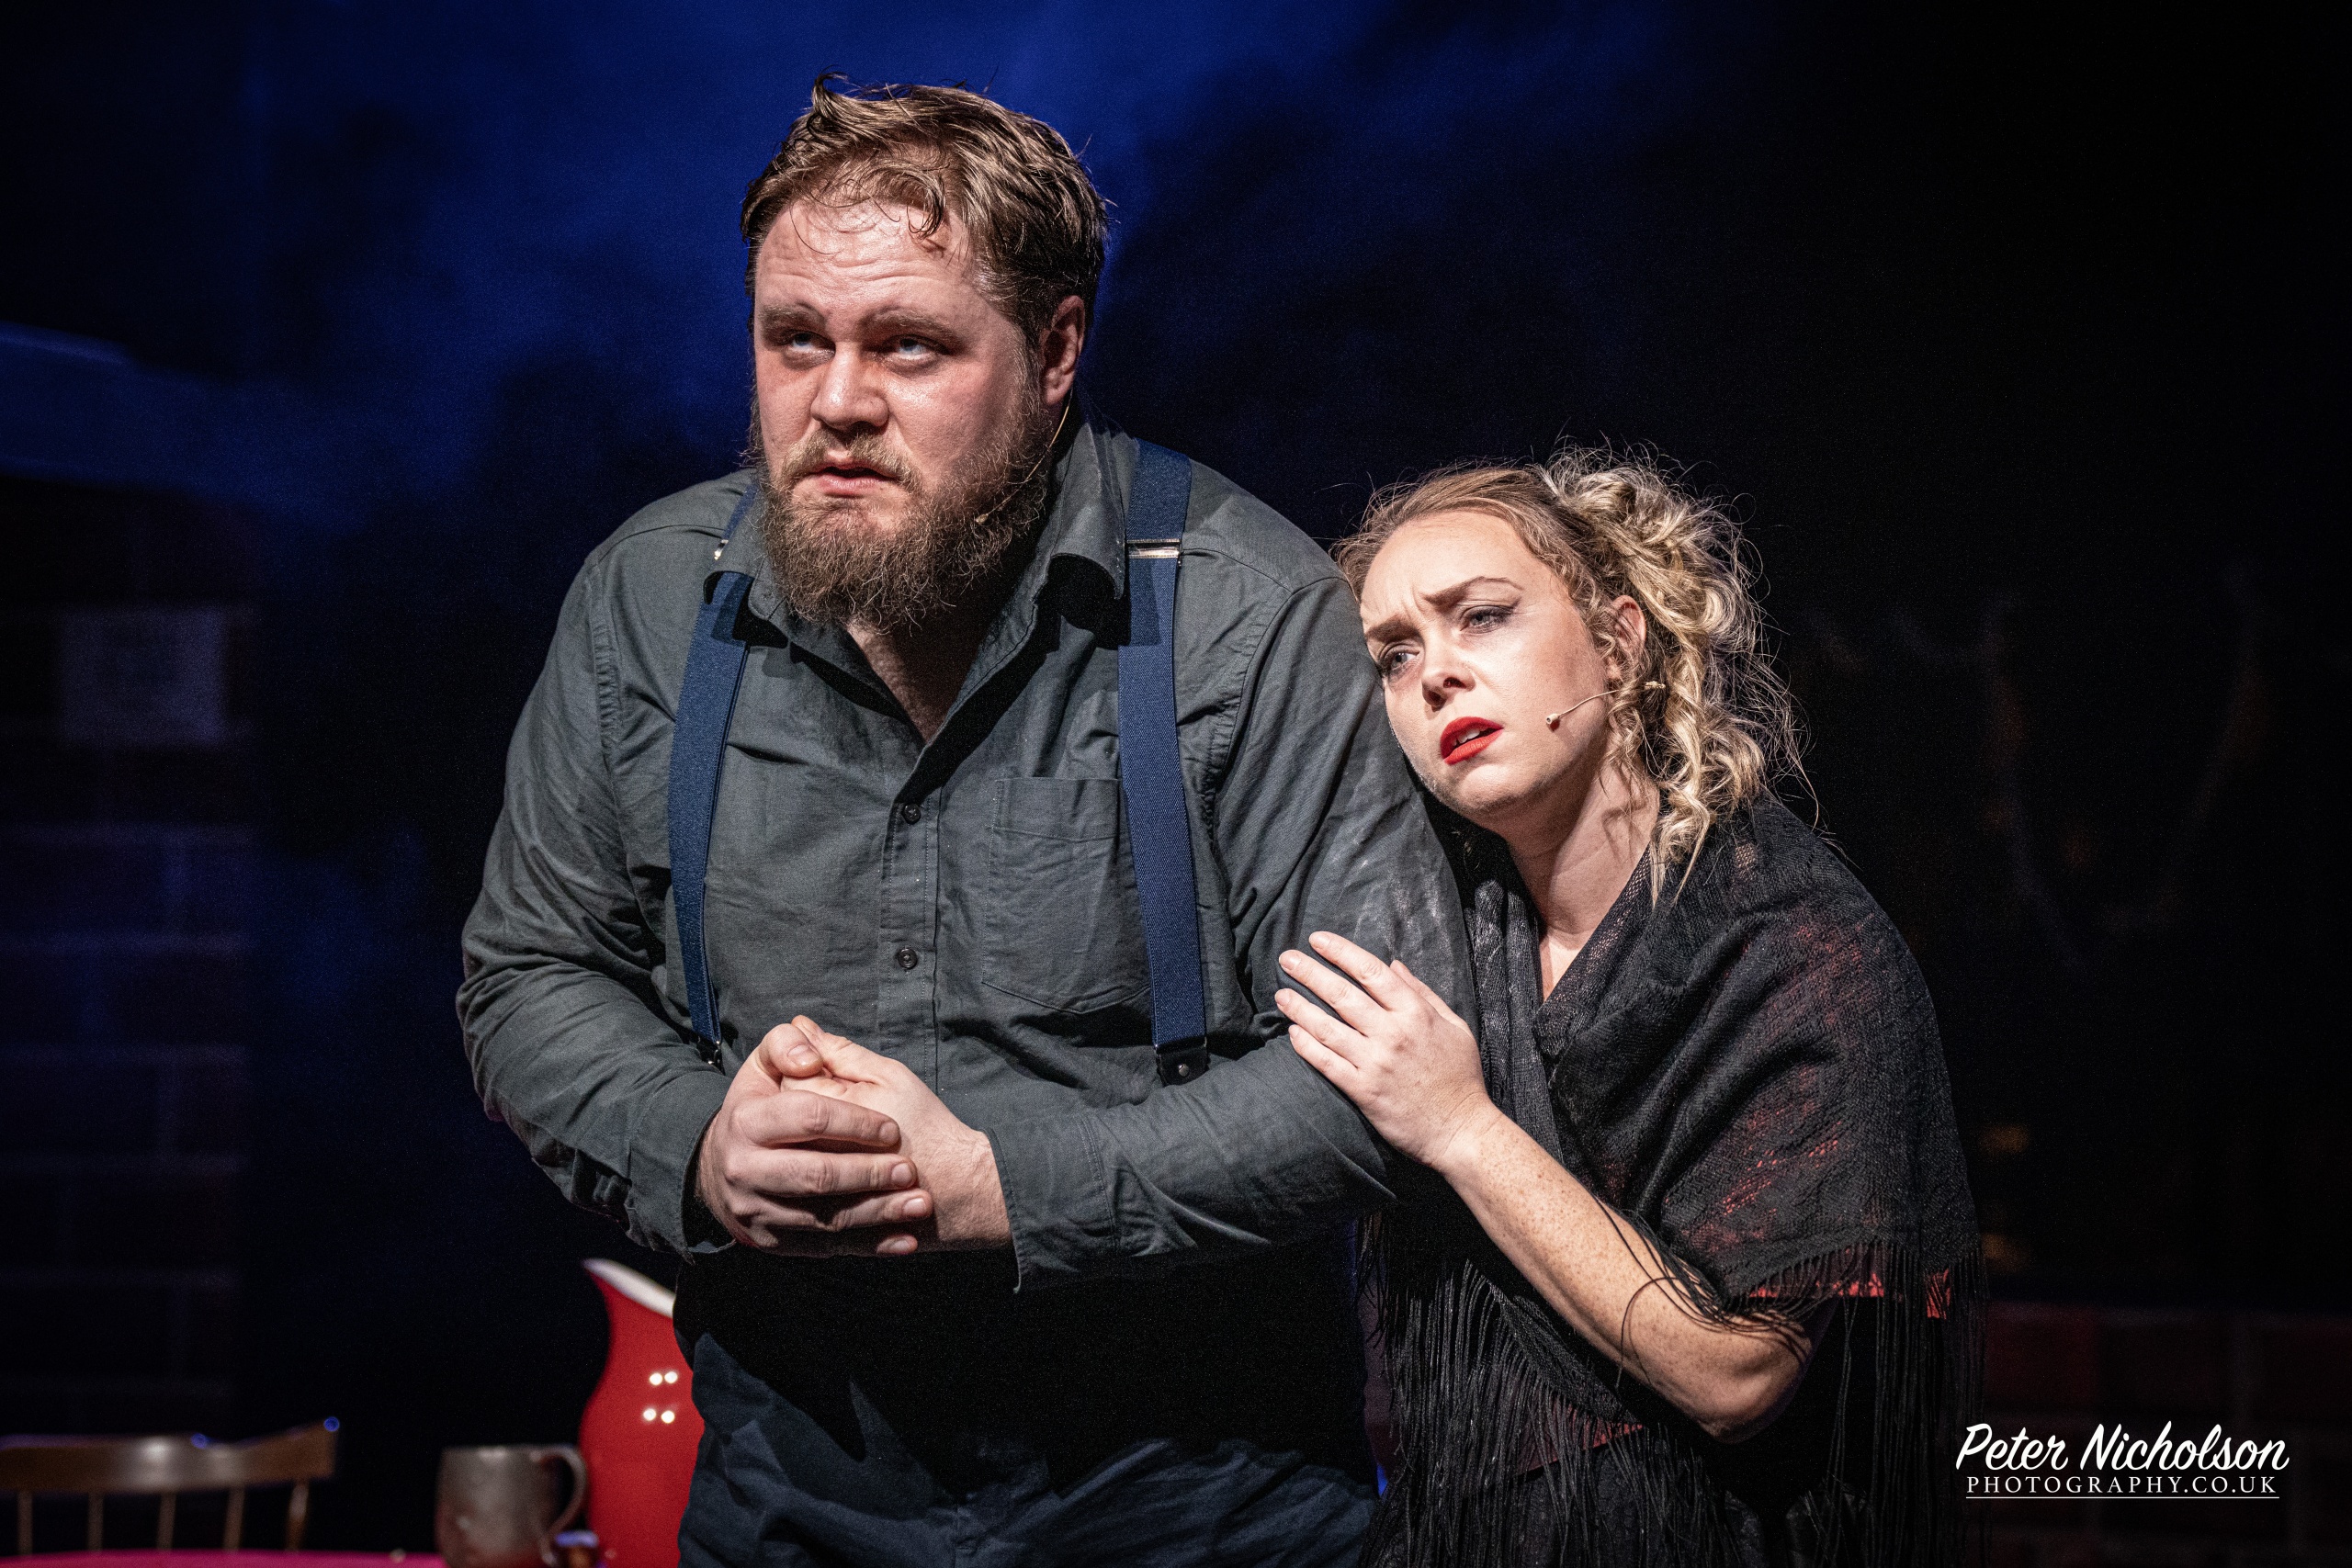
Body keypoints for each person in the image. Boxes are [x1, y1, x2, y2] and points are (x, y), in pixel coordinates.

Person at [456, 78, 1472, 1566]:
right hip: (788, 1499)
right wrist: (701, 1142)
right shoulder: (653, 603)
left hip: (1197, 1508)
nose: (837, 400)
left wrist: (1002, 1185)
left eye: (908, 346)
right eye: (794, 339)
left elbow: (1374, 1085)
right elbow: (530, 972)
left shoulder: (1240, 616)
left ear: (1057, 351)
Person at [1272, 451, 1981, 1565]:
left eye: (1482, 617)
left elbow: (1739, 1372)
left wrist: (1459, 1126)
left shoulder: (1791, 945)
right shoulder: (1438, 946)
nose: (1436, 674)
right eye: (1394, 655)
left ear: (1618, 642)